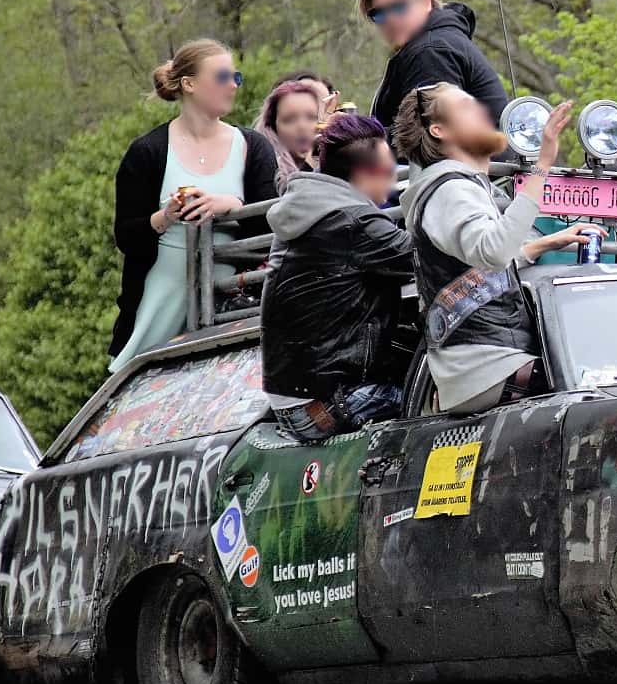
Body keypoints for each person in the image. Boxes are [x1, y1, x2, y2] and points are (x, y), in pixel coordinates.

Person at [393, 83, 595, 413]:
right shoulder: (451, 190)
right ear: (439, 130)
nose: (482, 111)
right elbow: (494, 251)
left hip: (487, 366)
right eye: (466, 108)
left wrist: (544, 243)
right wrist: (543, 165)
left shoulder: (456, 187)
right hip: (490, 368)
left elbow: (480, 262)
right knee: (601, 379)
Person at [110, 39, 280, 370]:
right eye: (222, 77)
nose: (232, 85)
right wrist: (165, 216)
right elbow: (126, 237)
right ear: (188, 84)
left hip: (231, 307)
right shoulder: (147, 152)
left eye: (236, 77)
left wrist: (228, 204)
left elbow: (270, 225)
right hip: (157, 306)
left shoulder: (253, 147)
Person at [261, 114, 413, 440]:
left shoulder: (311, 207)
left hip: (297, 401)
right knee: (443, 404)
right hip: (325, 406)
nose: (392, 184)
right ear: (363, 173)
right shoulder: (351, 221)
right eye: (388, 173)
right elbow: (427, 257)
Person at [360, 0, 507, 133]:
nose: (390, 19)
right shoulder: (436, 43)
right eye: (378, 14)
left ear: (425, 2)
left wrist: (354, 136)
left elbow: (427, 141)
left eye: (399, 6)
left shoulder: (432, 51)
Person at [256, 79, 325, 190]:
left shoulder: (337, 166)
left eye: (311, 117)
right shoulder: (265, 172)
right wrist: (309, 164)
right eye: (289, 119)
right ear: (273, 127)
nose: (302, 126)